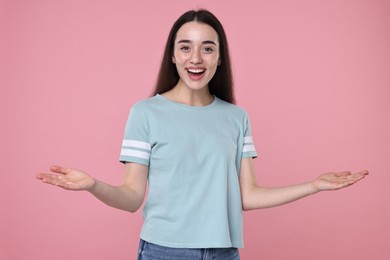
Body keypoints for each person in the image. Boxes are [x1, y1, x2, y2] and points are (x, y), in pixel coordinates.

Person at [36, 9, 368, 260]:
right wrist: (94, 185)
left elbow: (246, 196)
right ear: (173, 55)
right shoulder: (145, 113)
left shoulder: (236, 118)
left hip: (224, 252)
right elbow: (132, 197)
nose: (196, 58)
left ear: (220, 57)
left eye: (207, 48)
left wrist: (313, 186)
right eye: (186, 47)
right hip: (163, 252)